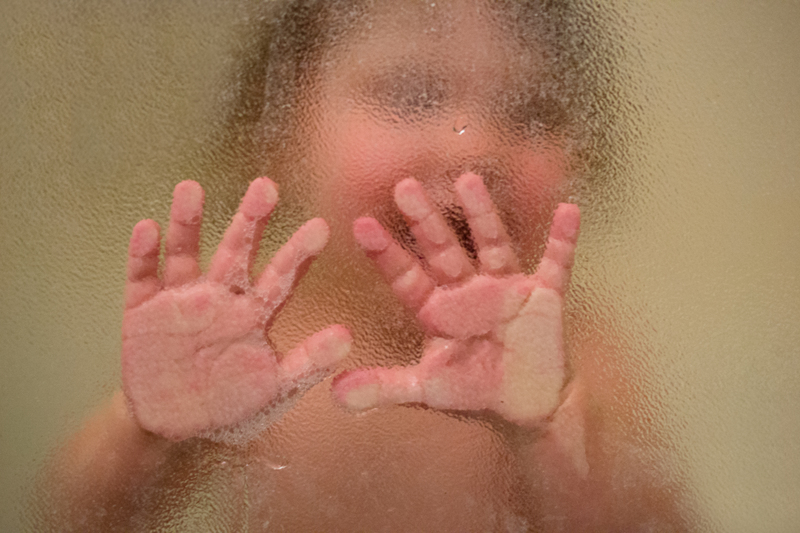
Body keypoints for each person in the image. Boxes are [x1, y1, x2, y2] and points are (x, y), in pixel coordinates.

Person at [32, 1, 691, 531]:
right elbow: (72, 515)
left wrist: (549, 430)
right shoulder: (253, 341)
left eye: (532, 109)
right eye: (412, 92)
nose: (477, 143)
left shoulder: (568, 349)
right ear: (280, 130)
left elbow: (660, 523)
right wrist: (145, 431)